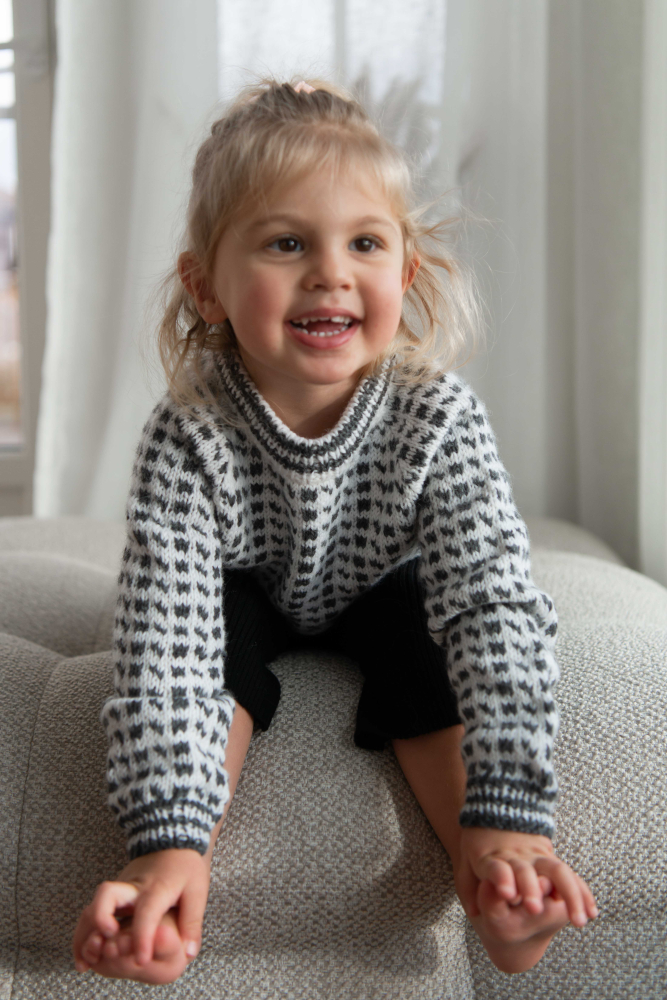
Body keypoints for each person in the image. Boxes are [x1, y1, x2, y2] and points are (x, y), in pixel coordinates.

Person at [72, 78, 598, 985]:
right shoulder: (188, 434)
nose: (330, 272)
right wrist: (160, 823)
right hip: (246, 584)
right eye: (286, 243)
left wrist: (516, 801)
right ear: (206, 288)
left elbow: (493, 604)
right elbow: (164, 643)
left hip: (384, 581)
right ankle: (172, 870)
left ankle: (496, 871)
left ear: (406, 274)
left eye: (364, 242)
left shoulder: (438, 417)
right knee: (208, 644)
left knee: (428, 643)